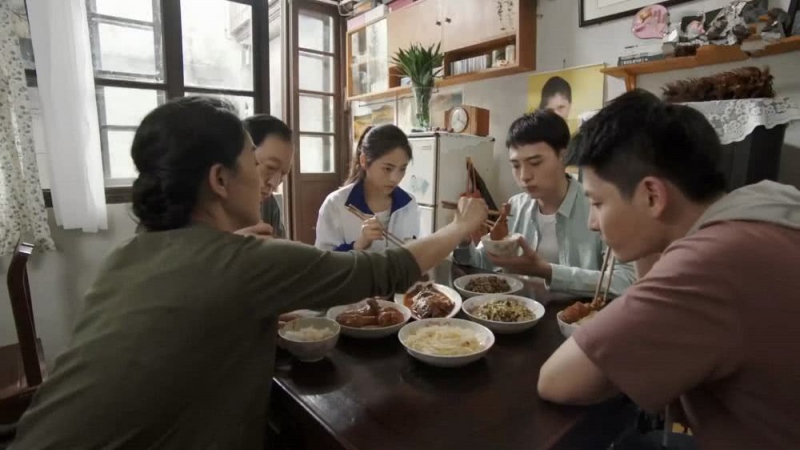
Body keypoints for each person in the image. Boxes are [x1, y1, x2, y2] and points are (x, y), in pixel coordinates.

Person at [9, 97, 488, 450]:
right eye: (254, 165)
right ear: (220, 180)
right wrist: (462, 225)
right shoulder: (246, 260)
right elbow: (384, 271)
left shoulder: (128, 255)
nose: (265, 182)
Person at [537, 90, 800, 450]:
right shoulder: (764, 203)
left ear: (652, 196)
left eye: (597, 203)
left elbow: (558, 381)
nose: (593, 223)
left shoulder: (709, 263)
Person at [453, 109, 635, 298]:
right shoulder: (515, 207)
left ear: (564, 156)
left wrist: (547, 271)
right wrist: (462, 238)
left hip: (576, 315)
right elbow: (483, 262)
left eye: (535, 163)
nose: (524, 176)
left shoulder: (597, 206)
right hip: (516, 310)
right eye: (516, 166)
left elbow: (625, 281)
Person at [315, 124, 420, 251]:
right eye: (387, 168)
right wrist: (359, 244)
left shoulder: (409, 203)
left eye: (402, 169)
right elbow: (323, 260)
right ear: (364, 161)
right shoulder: (335, 204)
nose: (395, 178)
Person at [243, 114, 293, 238]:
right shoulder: (205, 206)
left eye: (283, 175)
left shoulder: (269, 205)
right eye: (270, 167)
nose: (274, 184)